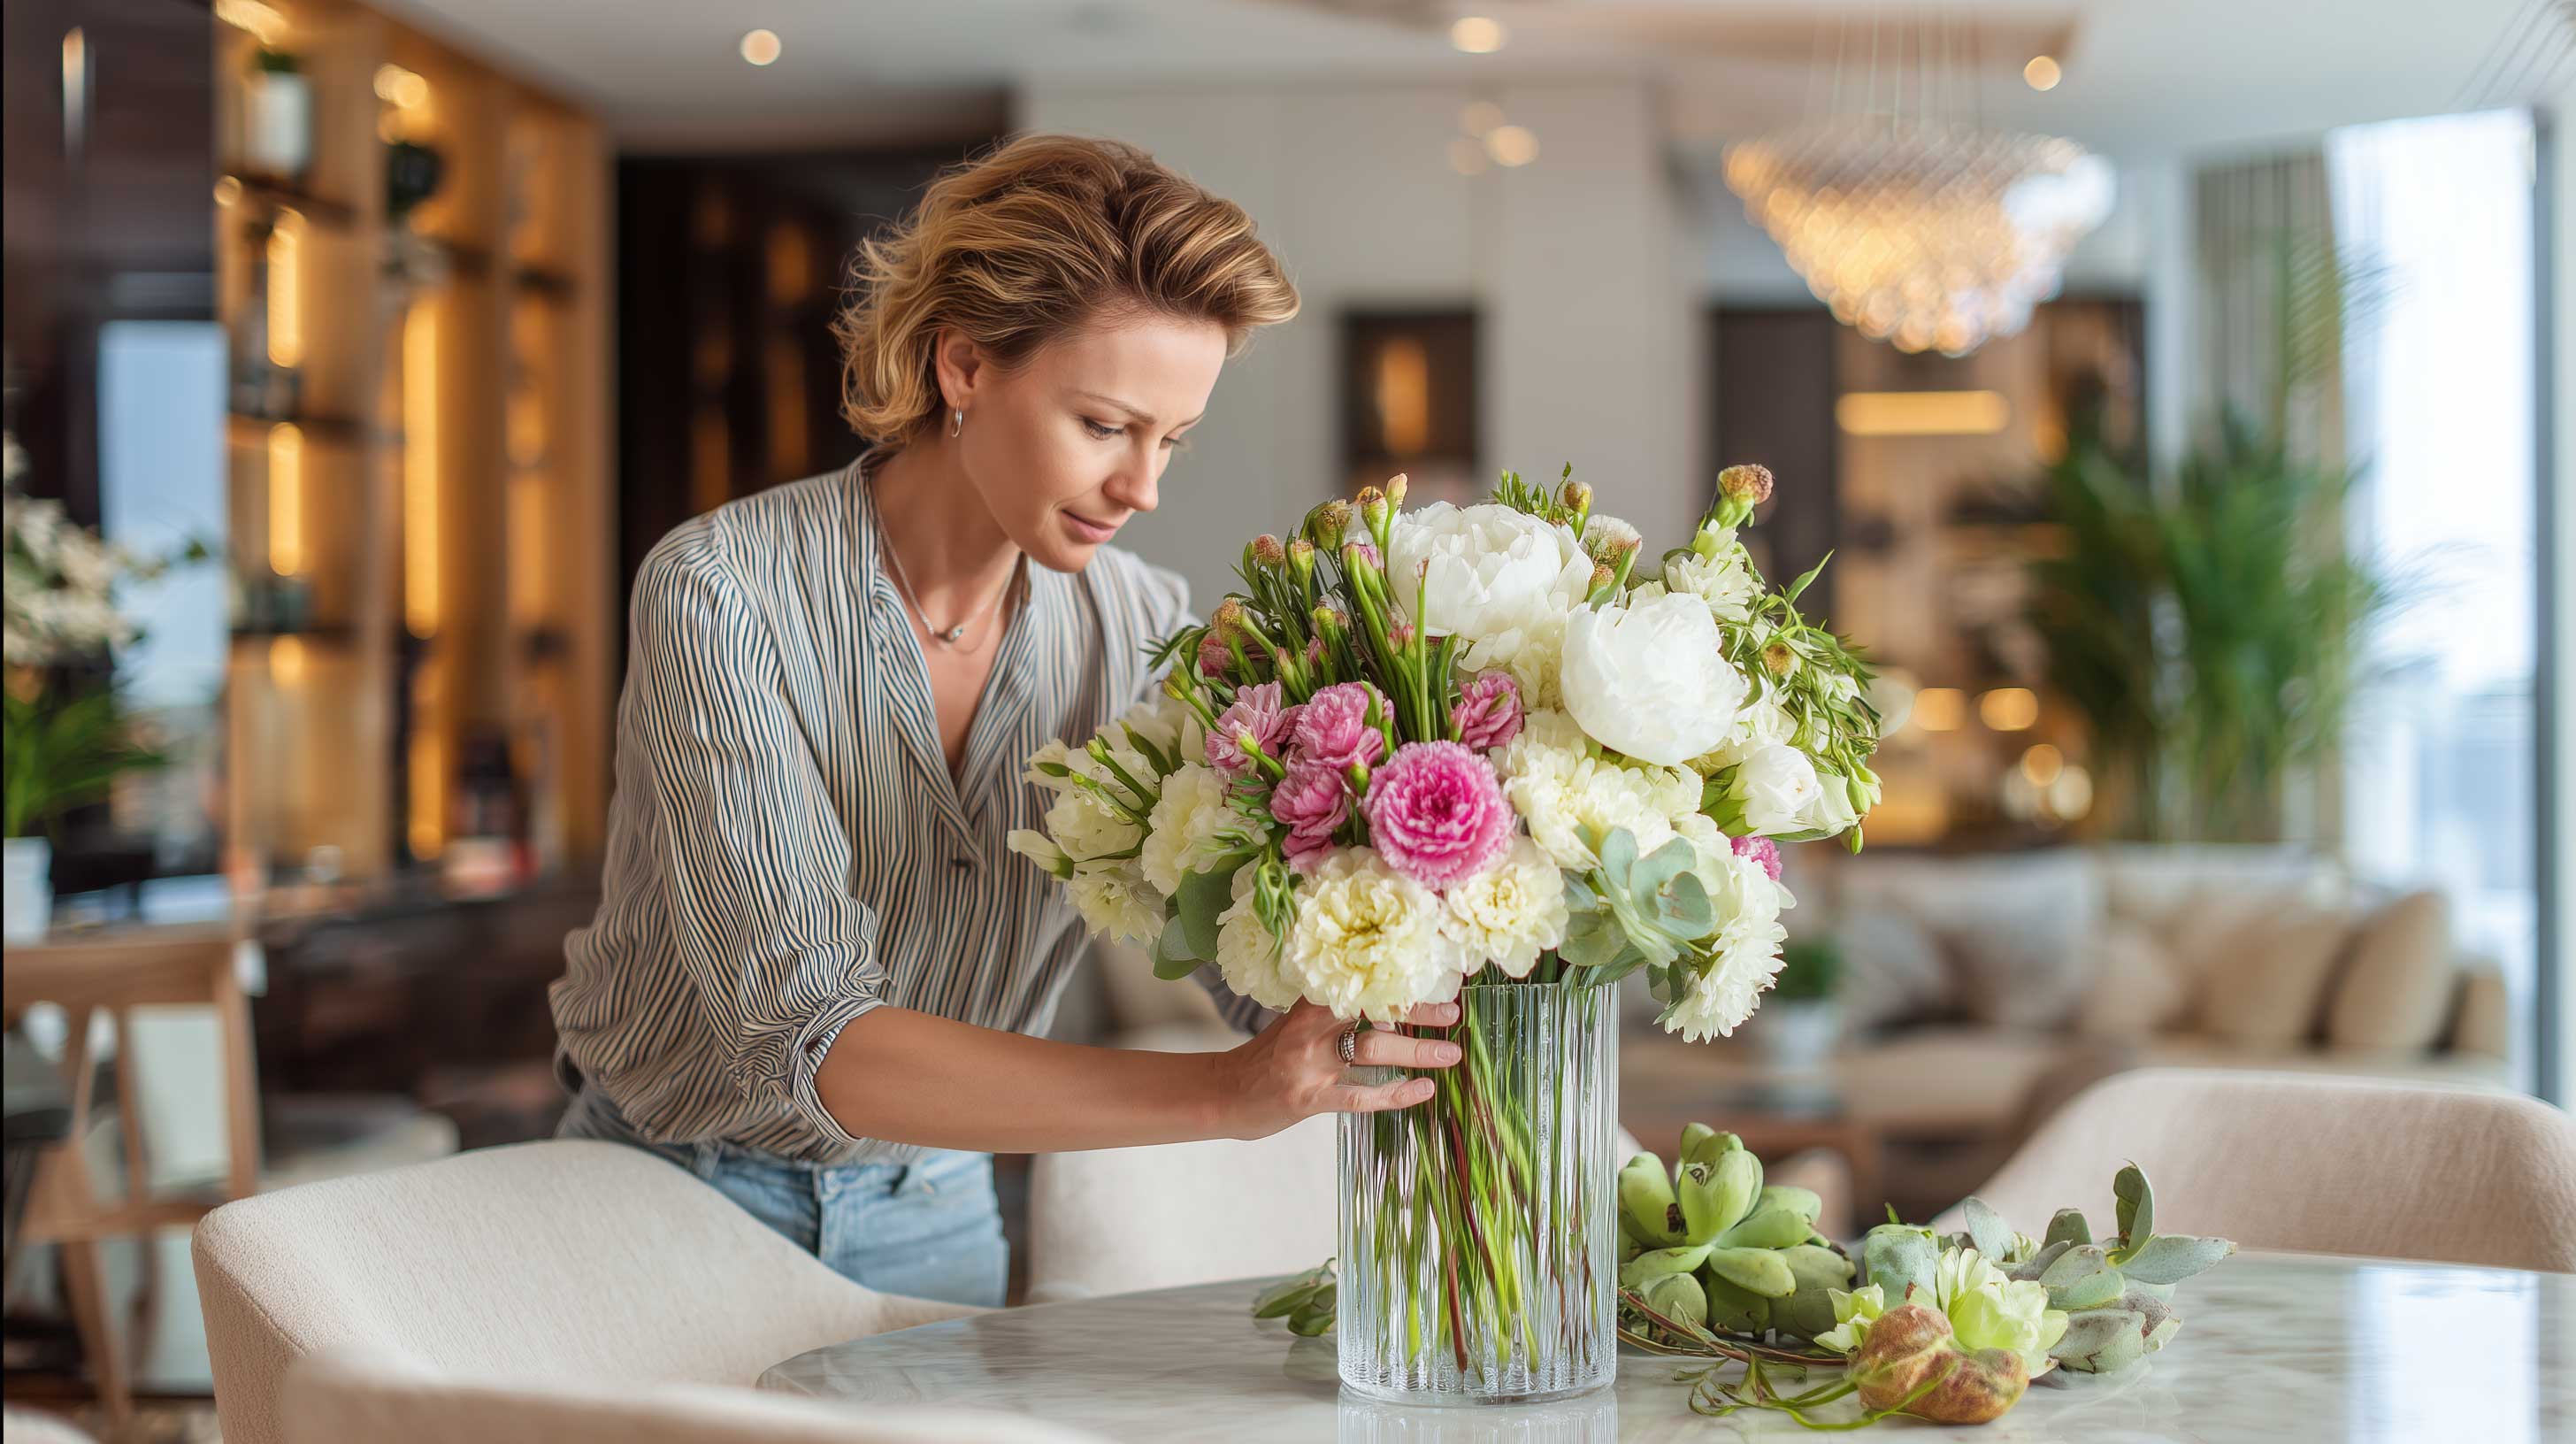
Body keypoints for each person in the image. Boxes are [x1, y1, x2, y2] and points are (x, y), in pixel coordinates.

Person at [550, 134, 1459, 1307]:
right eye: (1105, 425)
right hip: (671, 1206)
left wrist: (1453, 933)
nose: (1146, 487)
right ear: (966, 365)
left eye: (1172, 437)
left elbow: (1244, 946)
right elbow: (804, 1037)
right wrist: (1224, 1096)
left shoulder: (1140, 625)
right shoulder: (724, 594)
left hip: (941, 1212)